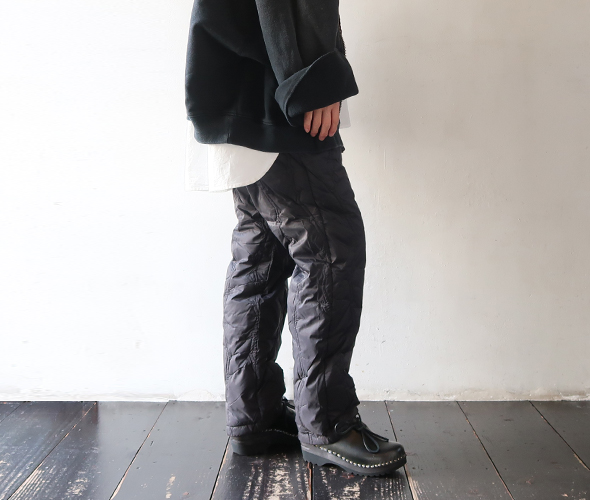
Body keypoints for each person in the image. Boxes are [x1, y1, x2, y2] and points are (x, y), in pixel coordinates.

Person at [184, 0, 407, 476]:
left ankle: (255, 414)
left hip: (241, 84)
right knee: (331, 250)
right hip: (278, 94)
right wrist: (310, 78)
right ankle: (327, 423)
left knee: (260, 255)